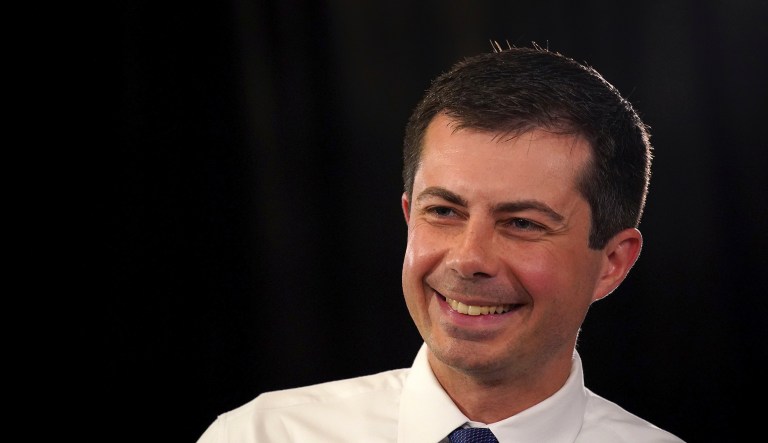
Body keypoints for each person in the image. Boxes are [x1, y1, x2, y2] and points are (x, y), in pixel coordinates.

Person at [197, 45, 685, 442]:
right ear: (410, 218)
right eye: (444, 212)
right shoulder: (261, 435)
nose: (469, 258)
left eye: (522, 223)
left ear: (613, 263)